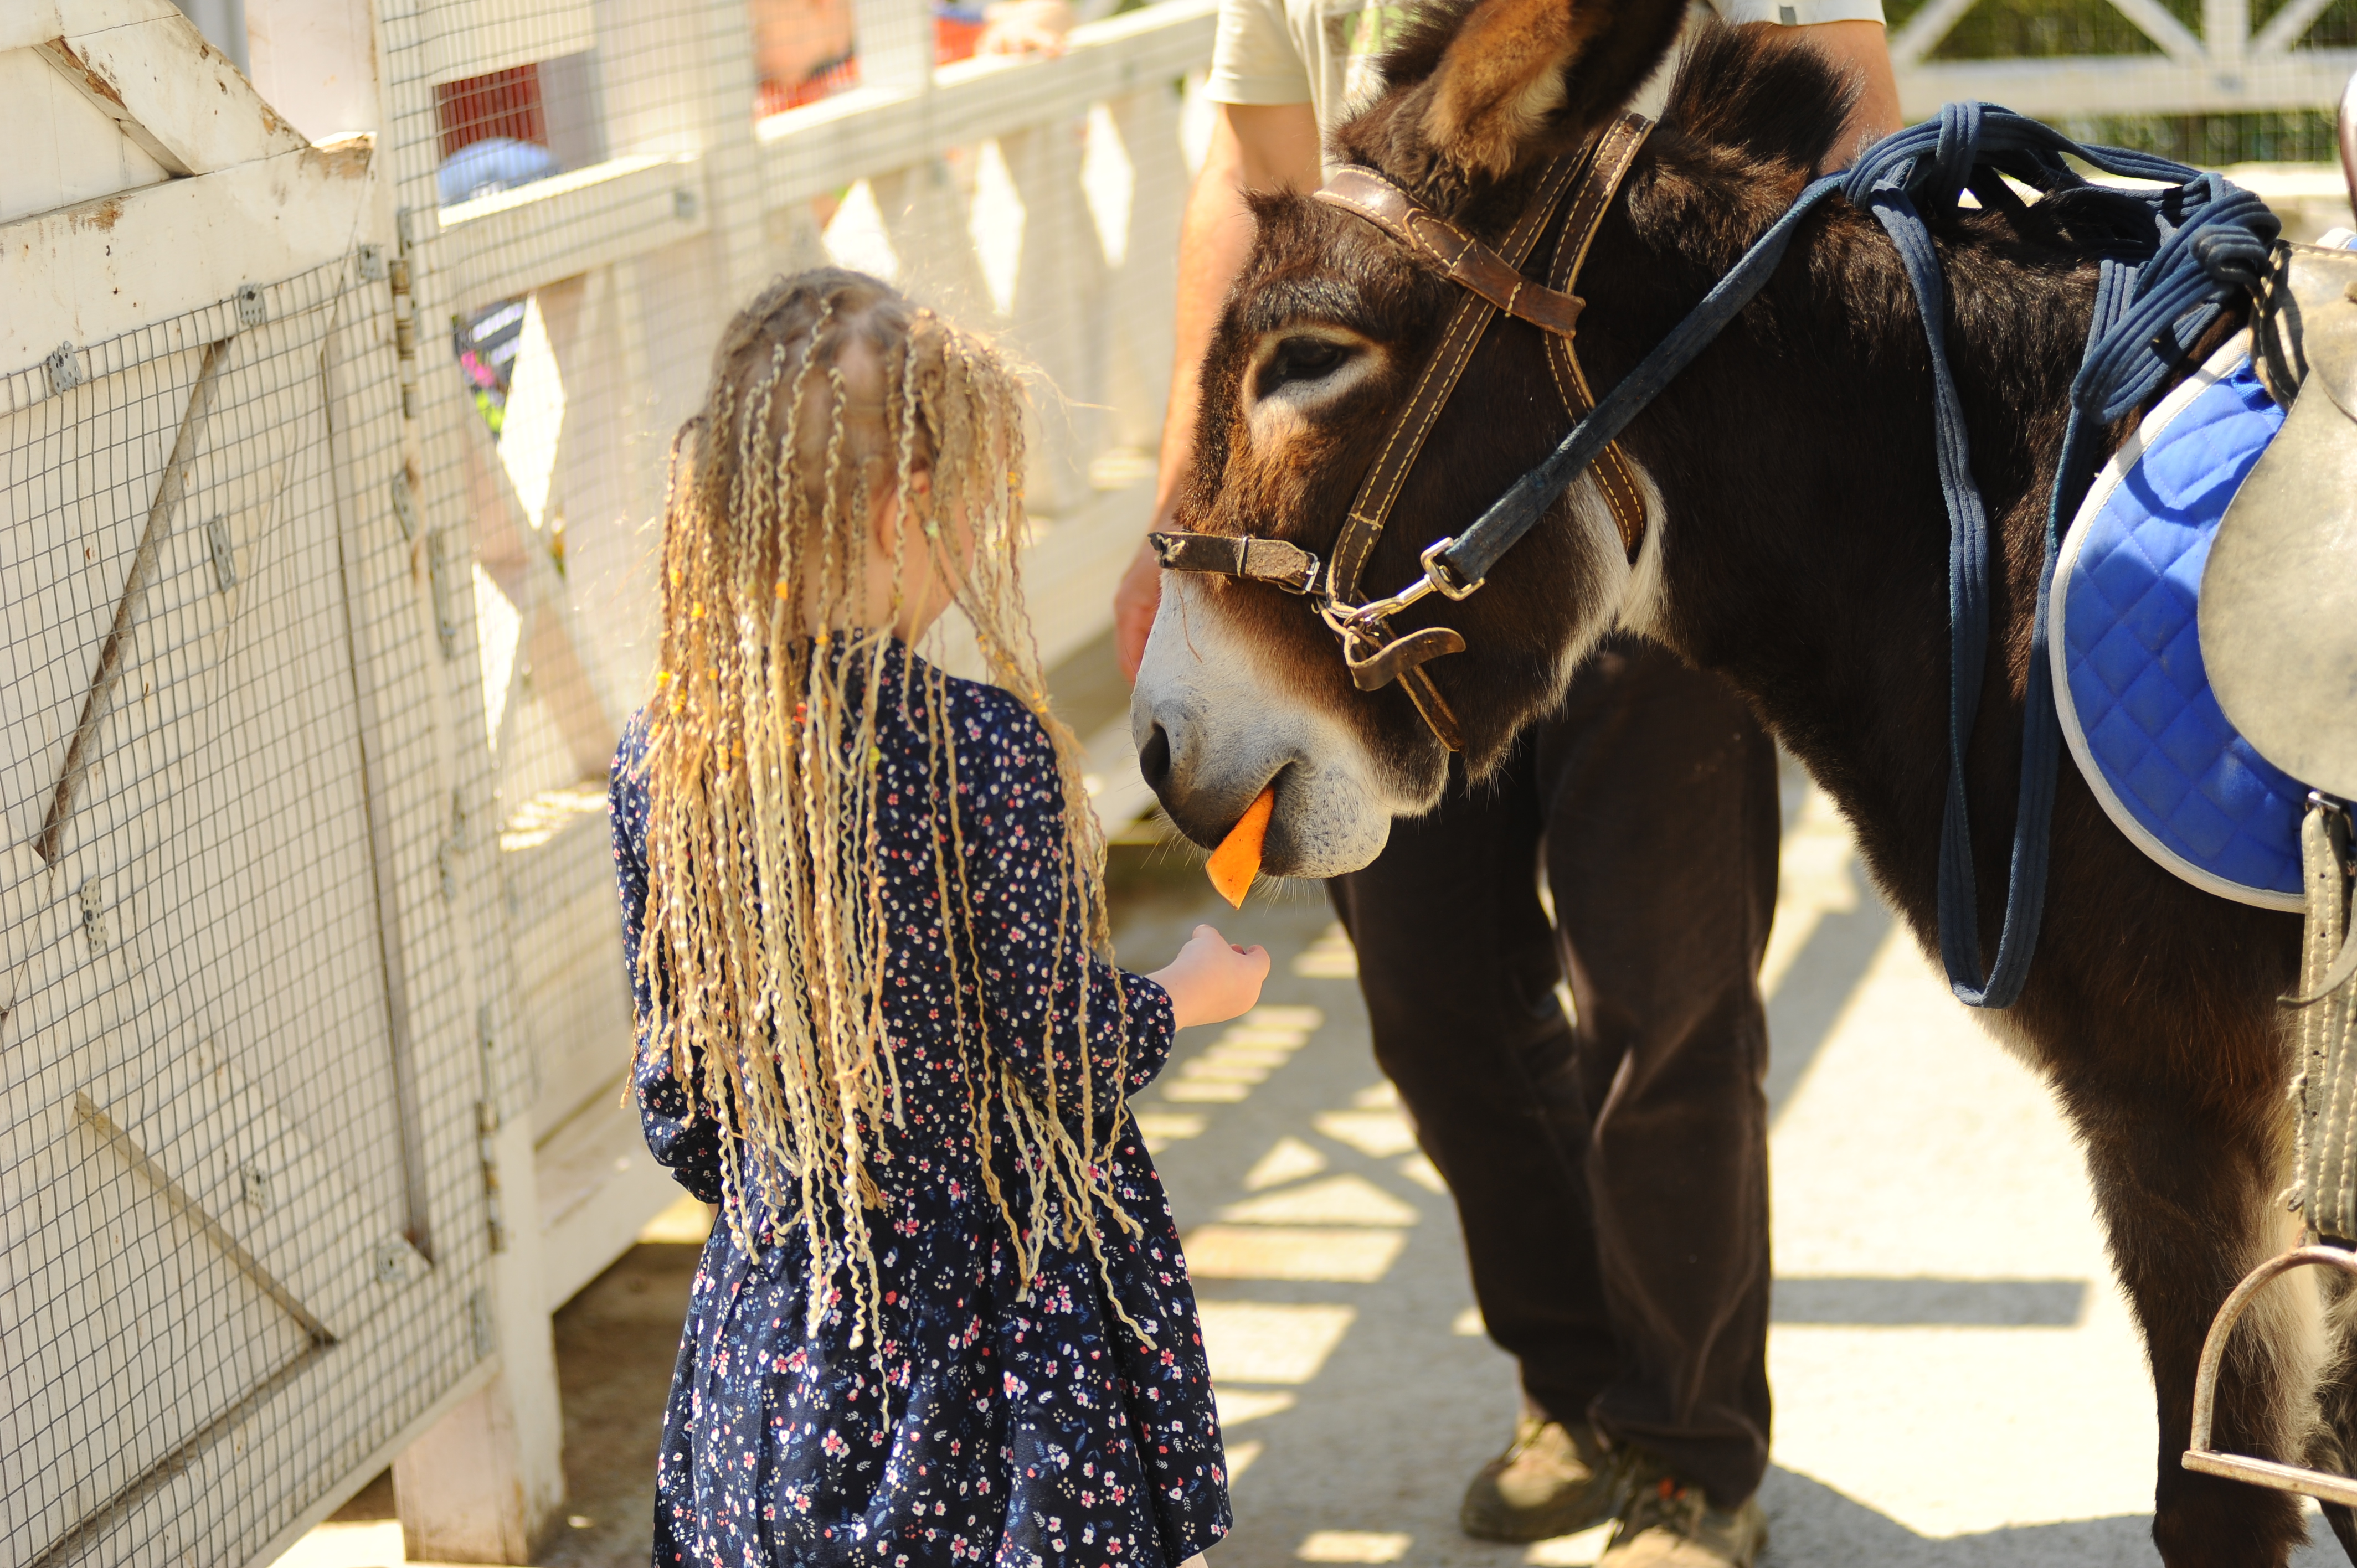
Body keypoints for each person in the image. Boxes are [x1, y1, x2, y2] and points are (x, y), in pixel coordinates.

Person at [1110, 6, 1902, 1566]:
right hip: (1378, 537)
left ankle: (1689, 1460)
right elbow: (1254, 175)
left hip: (1647, 507)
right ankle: (1585, 1384)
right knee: (1433, 1001)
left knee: (1662, 1004)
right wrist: (1185, 497)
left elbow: (1851, 131)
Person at [613, 269, 1269, 1565]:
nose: (982, 537)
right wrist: (1191, 989)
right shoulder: (983, 753)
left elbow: (682, 1110)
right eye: (974, 502)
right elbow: (1062, 1051)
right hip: (985, 1368)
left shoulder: (666, 765)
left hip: (779, 1351)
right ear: (910, 508)